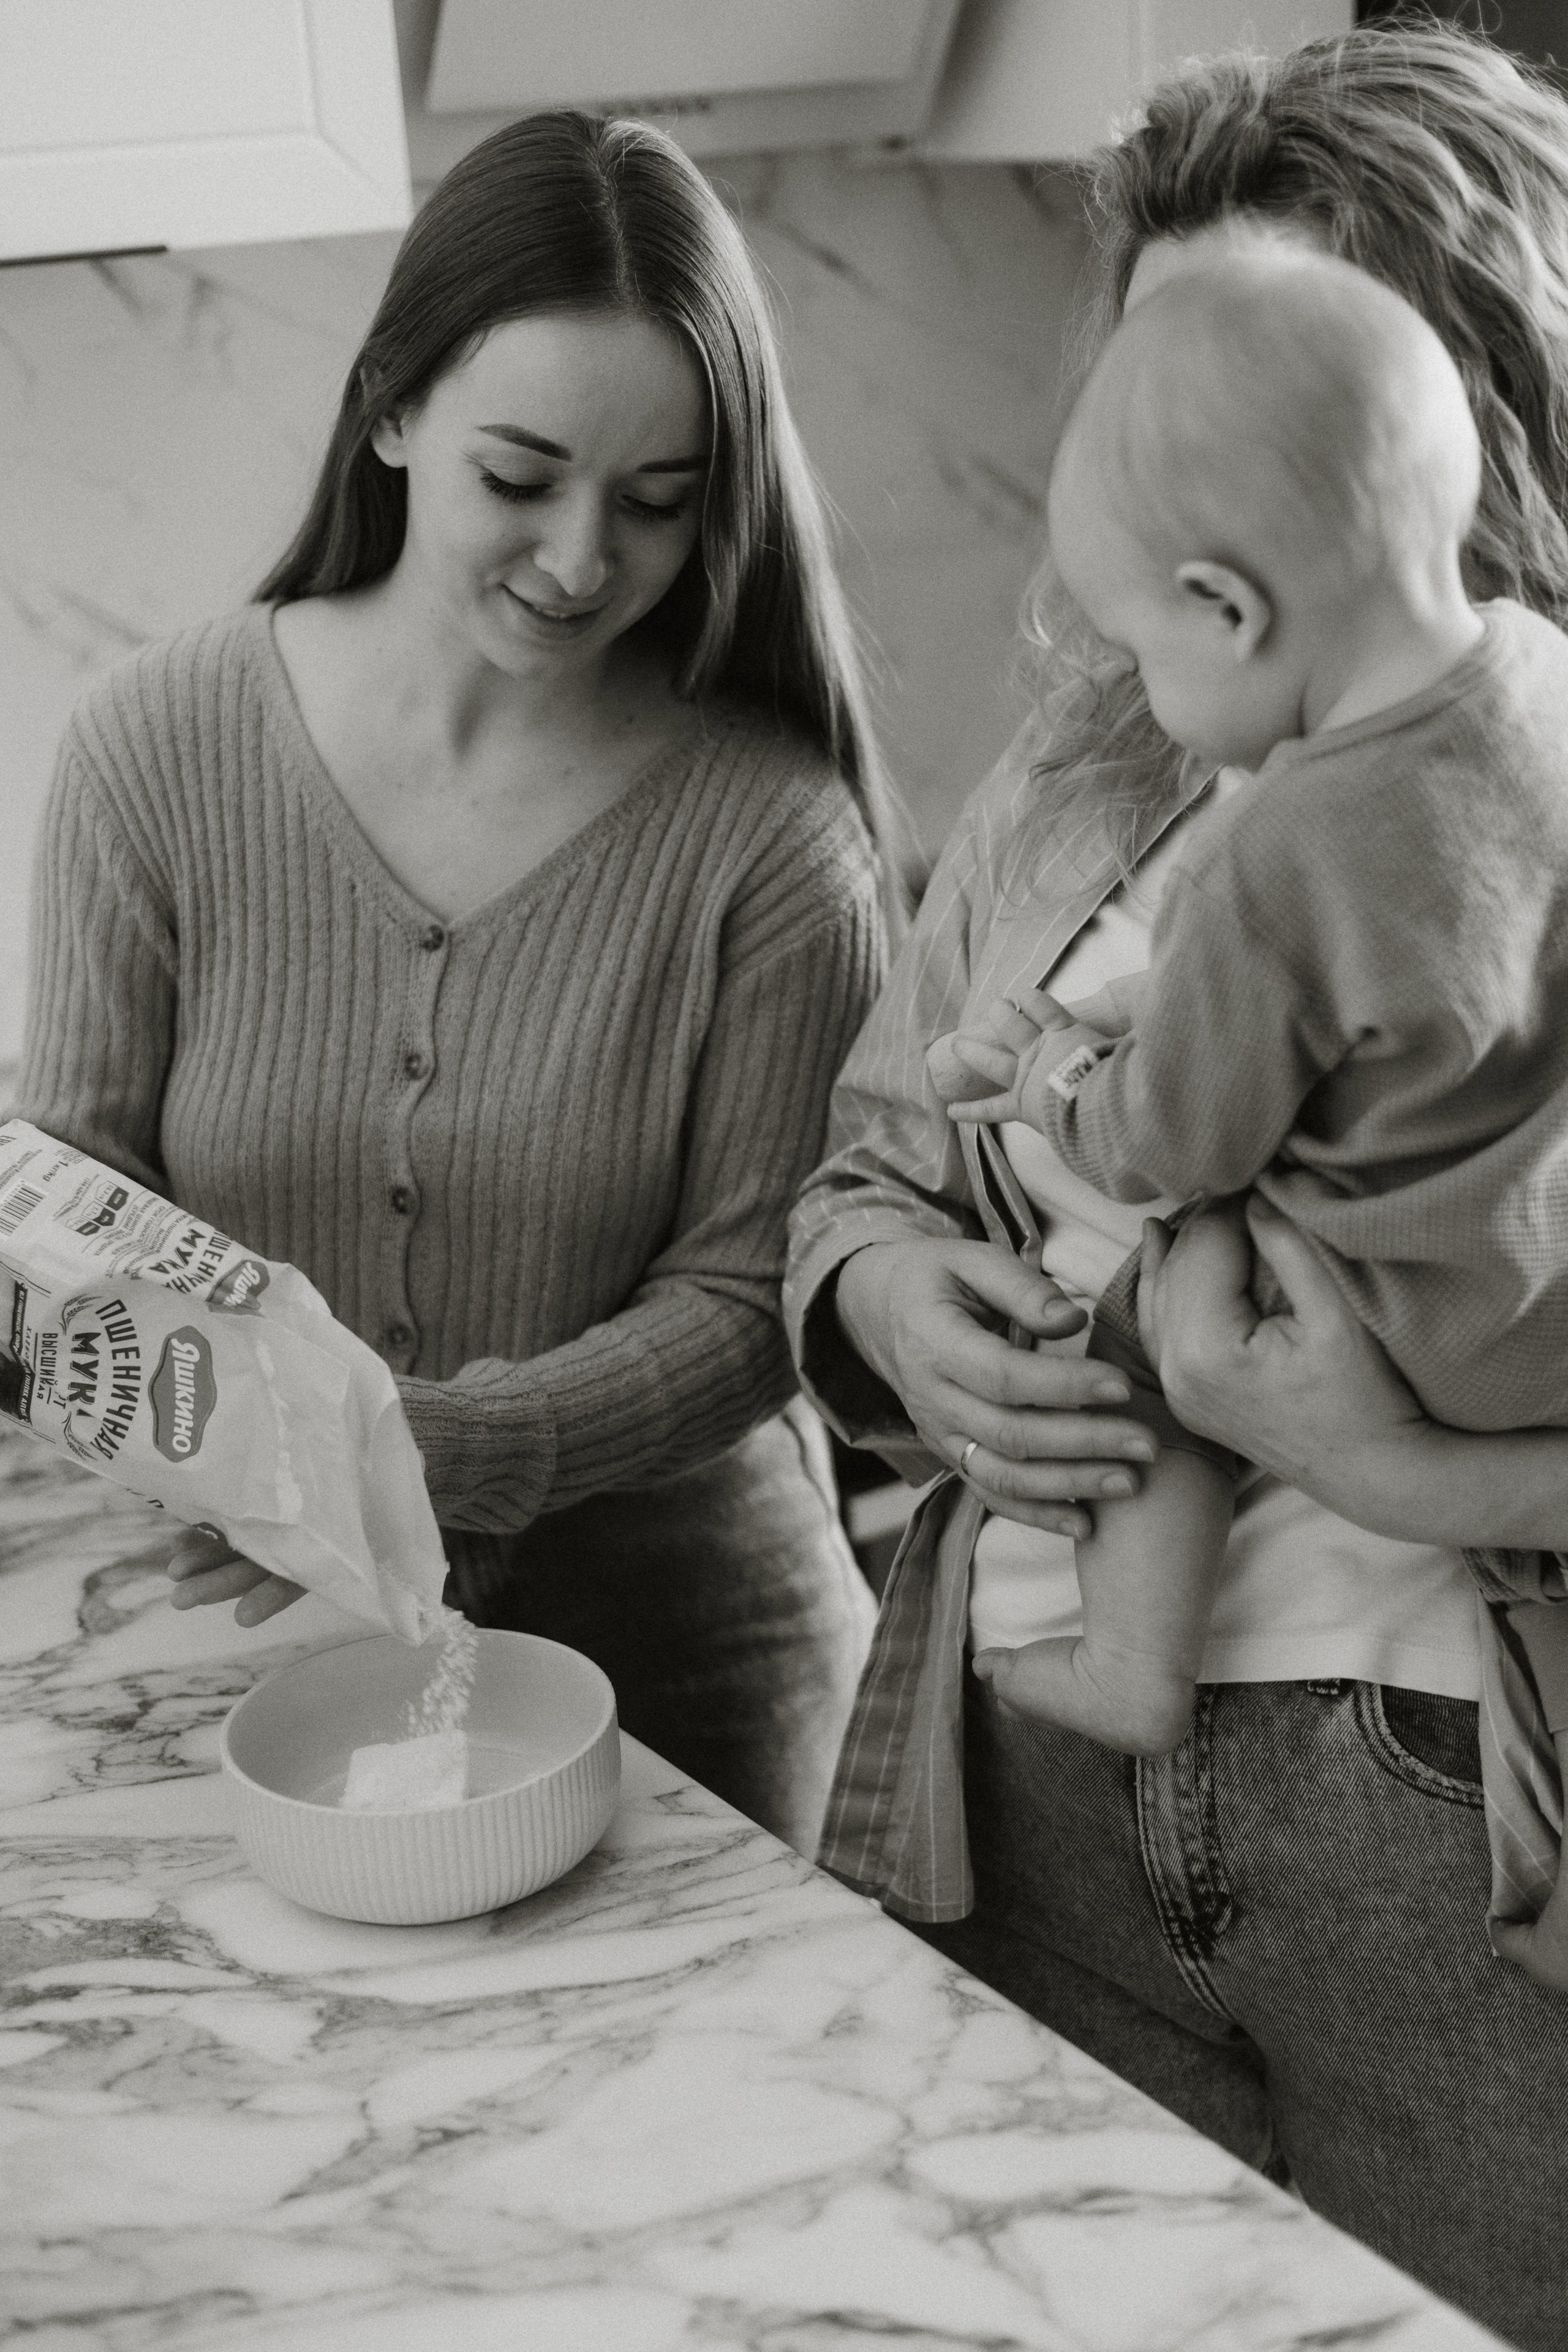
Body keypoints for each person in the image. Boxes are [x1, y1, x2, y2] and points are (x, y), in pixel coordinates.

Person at [787, 26, 1568, 2348]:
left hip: (1450, 1833)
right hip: (1036, 1801)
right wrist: (903, 1311)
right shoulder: (1084, 756)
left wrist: (1388, 1462)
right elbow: (855, 1182)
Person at [13, 110, 902, 1859]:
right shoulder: (158, 752)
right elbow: (76, 1202)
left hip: (698, 1646)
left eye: (660, 503)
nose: (583, 560)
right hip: (259, 1610)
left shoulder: (775, 841)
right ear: (396, 410)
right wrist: (204, 1416)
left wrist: (451, 1446)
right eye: (523, 478)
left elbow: (750, 1301)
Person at [932, 246, 1568, 1984]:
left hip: (1411, 1316)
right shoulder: (1533, 680)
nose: (1139, 692)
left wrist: (1057, 1071)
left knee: (1142, 1316)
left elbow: (1174, 1140)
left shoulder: (1276, 837)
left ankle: (1134, 1661)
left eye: (1142, 648)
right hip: (1537, 1276)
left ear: (1227, 607)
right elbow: (1432, 971)